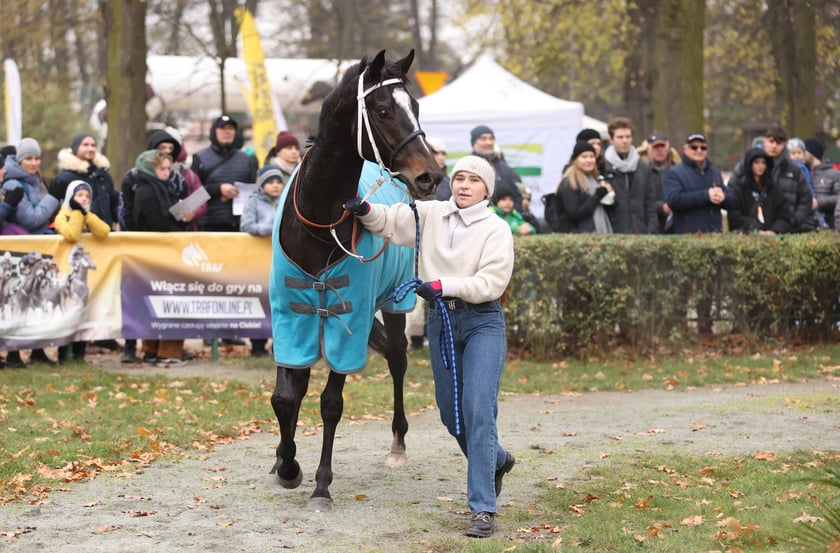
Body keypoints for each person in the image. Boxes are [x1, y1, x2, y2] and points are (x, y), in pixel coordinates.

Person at [344, 155, 516, 538]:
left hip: (482, 322)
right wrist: (364, 209)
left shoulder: (496, 229)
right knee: (451, 416)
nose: (464, 185)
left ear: (487, 190)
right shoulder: (431, 213)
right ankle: (498, 459)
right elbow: (389, 221)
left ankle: (482, 508)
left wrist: (443, 285)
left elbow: (490, 283)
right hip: (441, 321)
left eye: (473, 180)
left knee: (478, 410)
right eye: (460, 178)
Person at [1, 138, 61, 367]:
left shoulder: (37, 182)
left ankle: (37, 350)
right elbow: (31, 219)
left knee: (38, 302)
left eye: (37, 158)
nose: (34, 163)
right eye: (29, 158)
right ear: (19, 160)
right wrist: (53, 200)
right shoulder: (13, 184)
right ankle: (14, 354)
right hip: (19, 252)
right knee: (18, 303)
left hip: (38, 251)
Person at [131, 150, 190, 366]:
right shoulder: (148, 192)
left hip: (157, 254)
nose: (167, 173)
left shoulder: (160, 189)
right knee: (170, 302)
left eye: (168, 168)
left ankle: (152, 350)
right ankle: (167, 352)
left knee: (155, 301)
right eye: (162, 168)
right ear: (150, 169)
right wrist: (181, 221)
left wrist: (182, 217)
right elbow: (160, 223)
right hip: (161, 253)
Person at [53, 180, 111, 362]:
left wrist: (86, 214)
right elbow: (72, 234)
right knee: (68, 312)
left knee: (84, 312)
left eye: (87, 196)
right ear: (71, 197)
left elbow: (104, 231)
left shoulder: (88, 215)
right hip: (66, 271)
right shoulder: (61, 216)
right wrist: (78, 212)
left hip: (86, 276)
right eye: (79, 195)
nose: (84, 199)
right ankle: (64, 354)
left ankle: (79, 354)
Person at [240, 165, 284, 358]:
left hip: (280, 259)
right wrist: (273, 227)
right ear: (262, 184)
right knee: (259, 300)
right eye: (270, 182)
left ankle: (279, 344)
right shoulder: (253, 202)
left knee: (280, 302)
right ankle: (257, 345)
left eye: (278, 182)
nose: (275, 186)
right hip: (257, 261)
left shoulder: (286, 200)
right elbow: (246, 225)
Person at [191, 114, 258, 233]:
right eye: (222, 128)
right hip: (209, 227)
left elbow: (256, 192)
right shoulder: (200, 158)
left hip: (242, 227)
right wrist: (218, 190)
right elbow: (192, 198)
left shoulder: (247, 159)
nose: (227, 132)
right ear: (214, 131)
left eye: (231, 128)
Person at [663, 133, 732, 234]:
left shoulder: (715, 172)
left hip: (715, 234)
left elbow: (731, 198)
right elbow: (674, 200)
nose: (699, 150)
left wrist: (723, 197)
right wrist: (706, 196)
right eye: (694, 147)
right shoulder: (674, 173)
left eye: (703, 148)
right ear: (685, 149)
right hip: (688, 235)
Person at [51, 131, 120, 230]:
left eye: (93, 145)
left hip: (105, 233)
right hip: (78, 235)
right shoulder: (64, 178)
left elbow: (114, 204)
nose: (90, 148)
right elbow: (55, 211)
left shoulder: (103, 175)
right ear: (75, 147)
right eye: (85, 145)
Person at [601, 117, 658, 234]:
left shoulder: (643, 167)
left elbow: (650, 204)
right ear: (611, 140)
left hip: (641, 233)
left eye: (628, 137)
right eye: (620, 137)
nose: (625, 141)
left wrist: (652, 232)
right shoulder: (603, 168)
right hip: (614, 234)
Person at [728, 148, 794, 234]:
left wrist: (774, 230)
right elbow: (735, 217)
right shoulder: (739, 188)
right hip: (748, 236)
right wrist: (755, 229)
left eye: (764, 163)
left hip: (772, 236)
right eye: (756, 162)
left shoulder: (773, 188)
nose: (760, 166)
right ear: (749, 164)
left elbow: (785, 215)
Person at [762, 126, 814, 233]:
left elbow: (806, 199)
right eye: (771, 141)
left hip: (789, 230)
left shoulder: (795, 171)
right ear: (765, 141)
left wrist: (794, 221)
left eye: (778, 142)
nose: (774, 146)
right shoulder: (749, 167)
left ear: (785, 144)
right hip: (758, 230)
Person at [557, 141, 614, 233]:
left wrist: (608, 196)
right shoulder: (570, 182)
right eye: (584, 157)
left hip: (597, 231)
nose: (589, 160)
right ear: (575, 160)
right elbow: (574, 213)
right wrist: (598, 195)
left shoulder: (594, 179)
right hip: (581, 235)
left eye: (592, 156)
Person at [470, 125, 524, 212]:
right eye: (483, 139)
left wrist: (512, 217)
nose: (488, 142)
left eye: (491, 138)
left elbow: (517, 196)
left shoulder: (505, 168)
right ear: (473, 143)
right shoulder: (468, 166)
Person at [638, 131, 681, 233]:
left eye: (662, 146)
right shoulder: (640, 171)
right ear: (648, 148)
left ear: (668, 147)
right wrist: (661, 207)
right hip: (649, 226)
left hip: (676, 225)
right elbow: (638, 201)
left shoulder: (678, 170)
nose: (660, 150)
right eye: (656, 147)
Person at [803, 137, 840, 230]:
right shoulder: (801, 173)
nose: (801, 154)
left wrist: (819, 203)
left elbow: (838, 198)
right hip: (805, 226)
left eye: (804, 150)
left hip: (828, 226)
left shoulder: (834, 174)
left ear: (812, 152)